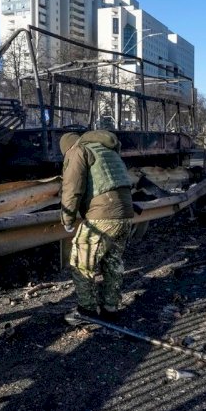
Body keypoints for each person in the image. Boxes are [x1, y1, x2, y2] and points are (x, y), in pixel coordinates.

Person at [59, 130, 135, 325]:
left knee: (81, 261)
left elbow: (72, 187)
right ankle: (111, 309)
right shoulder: (107, 150)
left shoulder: (77, 151)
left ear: (68, 147)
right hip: (125, 213)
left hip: (103, 214)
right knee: (113, 261)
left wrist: (67, 218)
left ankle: (87, 311)